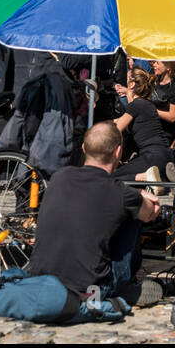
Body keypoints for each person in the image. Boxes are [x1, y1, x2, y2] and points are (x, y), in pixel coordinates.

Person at [28, 121, 163, 306]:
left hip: (41, 280)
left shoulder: (59, 177)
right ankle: (123, 284)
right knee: (133, 213)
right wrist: (144, 198)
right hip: (90, 287)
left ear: (83, 148)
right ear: (117, 152)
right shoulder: (120, 193)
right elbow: (150, 213)